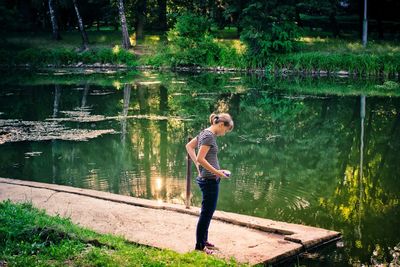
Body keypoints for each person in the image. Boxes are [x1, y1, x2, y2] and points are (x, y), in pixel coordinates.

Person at [185, 113, 234, 254]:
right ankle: (200, 246)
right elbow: (200, 158)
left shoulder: (204, 133)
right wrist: (218, 173)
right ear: (221, 125)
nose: (224, 133)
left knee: (208, 212)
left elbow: (189, 146)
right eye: (226, 130)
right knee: (206, 213)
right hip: (209, 180)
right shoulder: (209, 136)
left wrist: (202, 166)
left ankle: (203, 240)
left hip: (208, 177)